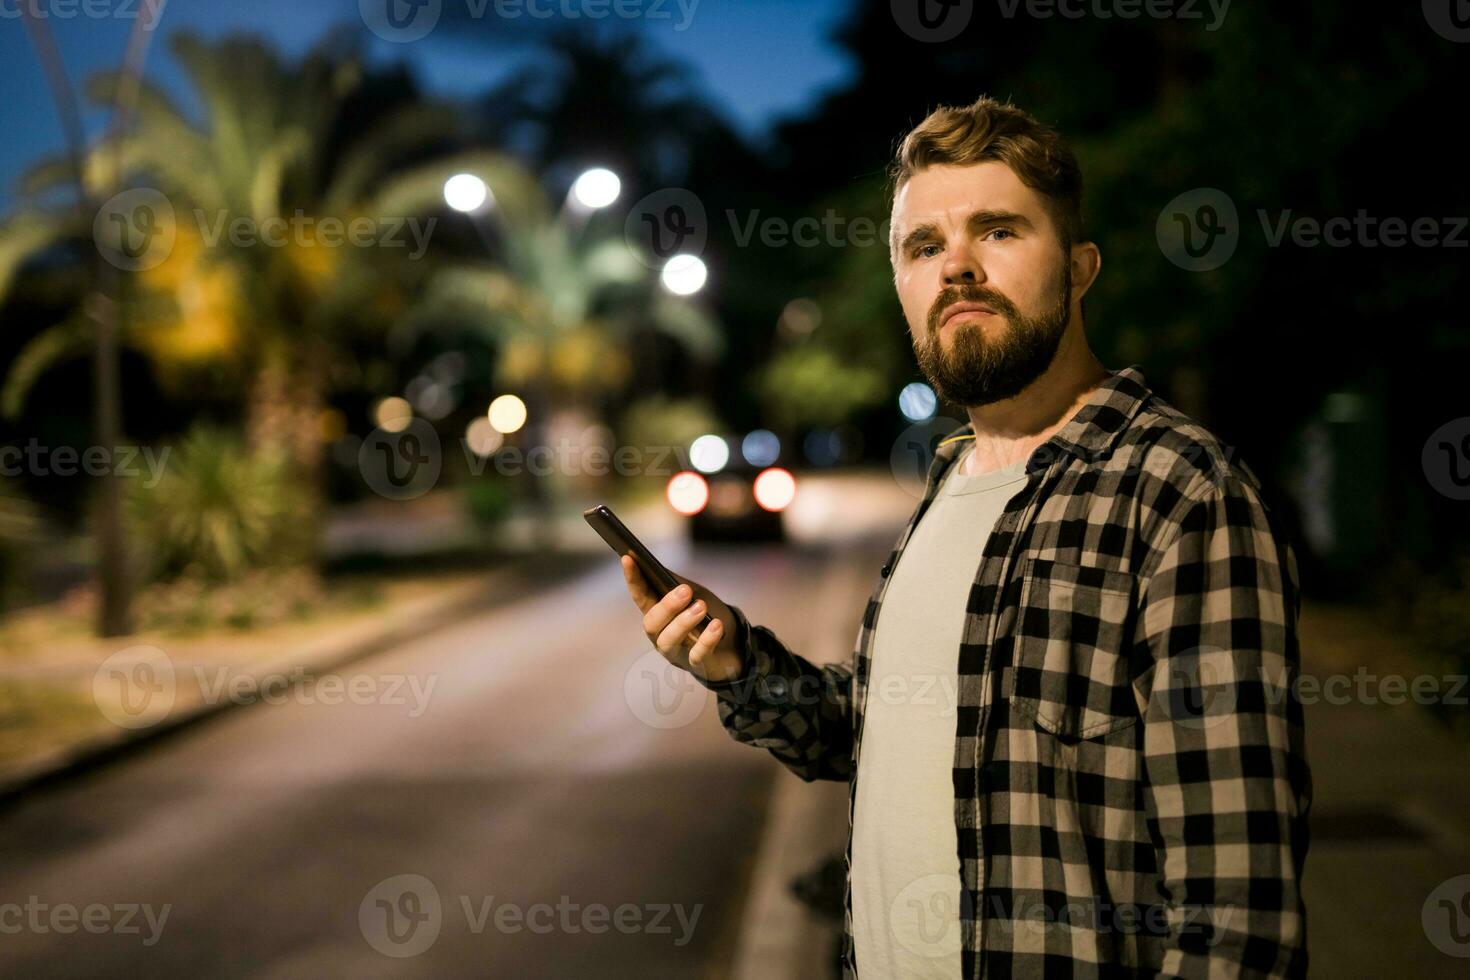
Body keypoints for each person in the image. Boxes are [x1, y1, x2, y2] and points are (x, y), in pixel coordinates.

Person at [621, 95, 1311, 980]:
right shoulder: (951, 484)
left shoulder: (1179, 492)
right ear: (904, 285)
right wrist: (738, 664)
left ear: (1080, 268)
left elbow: (1238, 916)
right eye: (924, 247)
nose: (958, 268)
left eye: (999, 231)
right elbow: (890, 733)